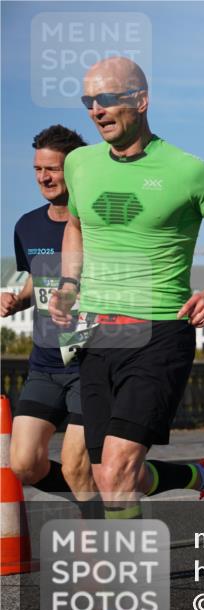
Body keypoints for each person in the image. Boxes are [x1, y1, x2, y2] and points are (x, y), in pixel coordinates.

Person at [47, 57, 204, 610]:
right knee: (93, 474)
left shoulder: (190, 171)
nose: (96, 109)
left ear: (141, 99)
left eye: (109, 97)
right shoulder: (81, 164)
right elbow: (78, 228)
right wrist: (67, 285)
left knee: (114, 473)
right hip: (99, 335)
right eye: (88, 99)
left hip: (160, 332)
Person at [1, 125, 99, 509]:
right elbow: (37, 283)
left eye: (53, 169)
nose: (44, 177)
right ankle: (95, 504)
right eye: (38, 169)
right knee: (23, 464)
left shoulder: (97, 224)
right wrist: (17, 300)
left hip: (91, 361)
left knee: (80, 467)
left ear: (74, 170)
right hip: (44, 362)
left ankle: (101, 548)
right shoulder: (26, 225)